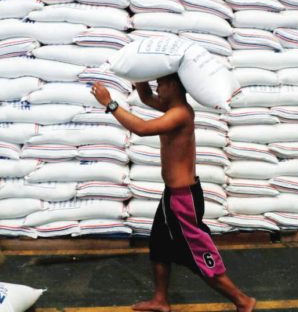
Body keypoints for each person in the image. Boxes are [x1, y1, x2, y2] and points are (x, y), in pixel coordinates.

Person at [91, 74, 256, 312]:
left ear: (174, 86)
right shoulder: (171, 107)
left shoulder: (180, 113)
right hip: (172, 196)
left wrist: (110, 103)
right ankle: (160, 300)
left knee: (196, 254)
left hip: (183, 199)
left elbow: (142, 128)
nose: (158, 88)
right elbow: (146, 97)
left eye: (162, 84)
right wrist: (140, 75)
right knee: (159, 246)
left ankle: (242, 300)